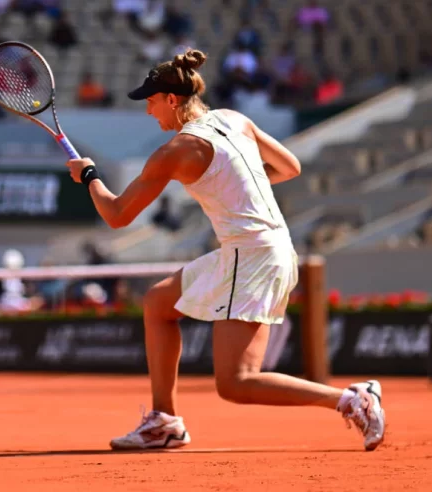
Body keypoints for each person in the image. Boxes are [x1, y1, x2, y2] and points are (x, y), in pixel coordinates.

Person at [64, 48, 385, 452]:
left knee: (236, 383)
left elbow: (116, 215)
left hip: (253, 258)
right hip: (264, 248)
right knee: (159, 303)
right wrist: (235, 187)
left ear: (173, 100)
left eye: (151, 102)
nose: (149, 112)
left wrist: (90, 175)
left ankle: (353, 400)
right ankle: (164, 421)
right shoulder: (235, 118)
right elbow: (290, 168)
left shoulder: (176, 152)